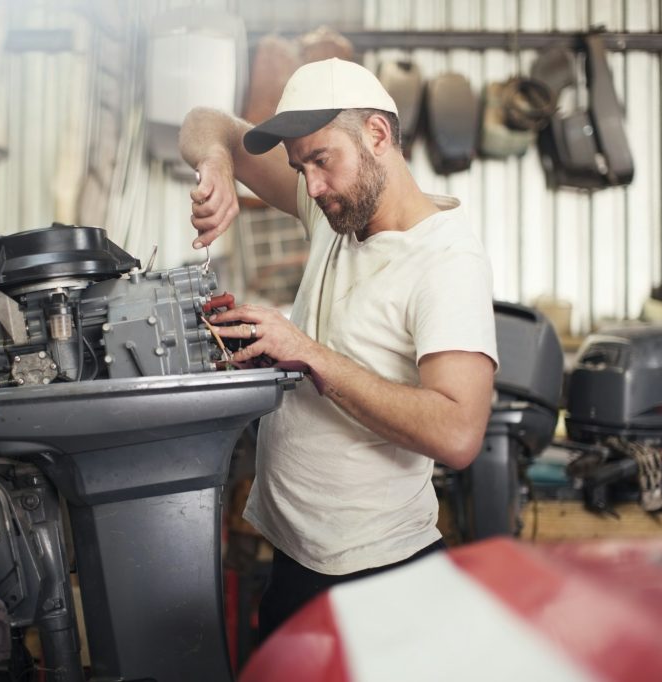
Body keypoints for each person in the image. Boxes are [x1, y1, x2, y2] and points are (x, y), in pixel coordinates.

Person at [178, 58, 498, 640]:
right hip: (299, 558)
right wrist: (218, 165)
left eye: (322, 161)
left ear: (377, 135)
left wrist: (310, 353)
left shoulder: (446, 261)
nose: (312, 186)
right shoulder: (335, 212)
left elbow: (458, 434)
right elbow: (205, 122)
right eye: (300, 169)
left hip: (378, 574)